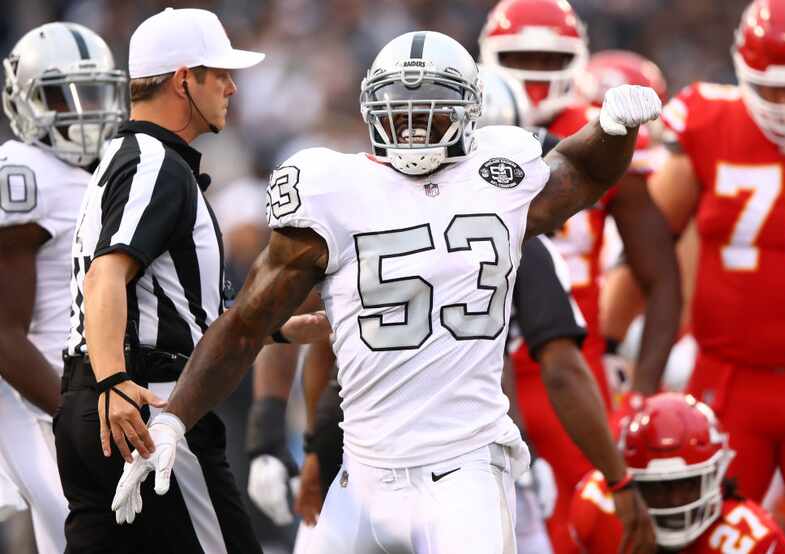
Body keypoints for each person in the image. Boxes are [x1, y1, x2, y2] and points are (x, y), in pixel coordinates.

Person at [111, 30, 661, 554]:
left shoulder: (500, 174)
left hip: (465, 469)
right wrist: (176, 419)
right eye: (399, 106)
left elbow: (583, 175)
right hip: (361, 473)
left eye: (433, 107)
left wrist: (613, 128)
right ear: (369, 107)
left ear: (470, 112)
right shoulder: (333, 189)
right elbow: (248, 323)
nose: (414, 125)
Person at [54, 8, 321, 553]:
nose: (232, 85)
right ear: (183, 80)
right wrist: (113, 382)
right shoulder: (155, 163)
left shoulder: (125, 159)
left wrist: (274, 331)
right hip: (146, 406)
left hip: (98, 402)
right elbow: (107, 274)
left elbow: (163, 302)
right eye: (218, 72)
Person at [479, 1, 682, 548]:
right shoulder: (463, 132)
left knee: (595, 529)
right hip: (475, 366)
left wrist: (640, 390)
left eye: (551, 56)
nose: (538, 72)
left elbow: (659, 273)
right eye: (524, 56)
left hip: (573, 362)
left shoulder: (604, 135)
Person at [646, 0, 785, 551]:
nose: (784, 103)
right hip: (728, 376)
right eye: (770, 87)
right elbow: (650, 245)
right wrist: (621, 350)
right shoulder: (710, 121)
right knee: (708, 532)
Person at [0, 22, 127, 553]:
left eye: (94, 92)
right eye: (61, 95)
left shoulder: (108, 170)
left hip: (92, 398)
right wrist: (71, 414)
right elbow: (5, 333)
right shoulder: (24, 171)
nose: (83, 109)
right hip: (40, 400)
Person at [568, 393, 785, 553]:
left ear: (716, 476)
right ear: (631, 480)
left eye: (688, 484)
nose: (675, 501)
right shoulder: (596, 506)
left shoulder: (755, 542)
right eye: (658, 487)